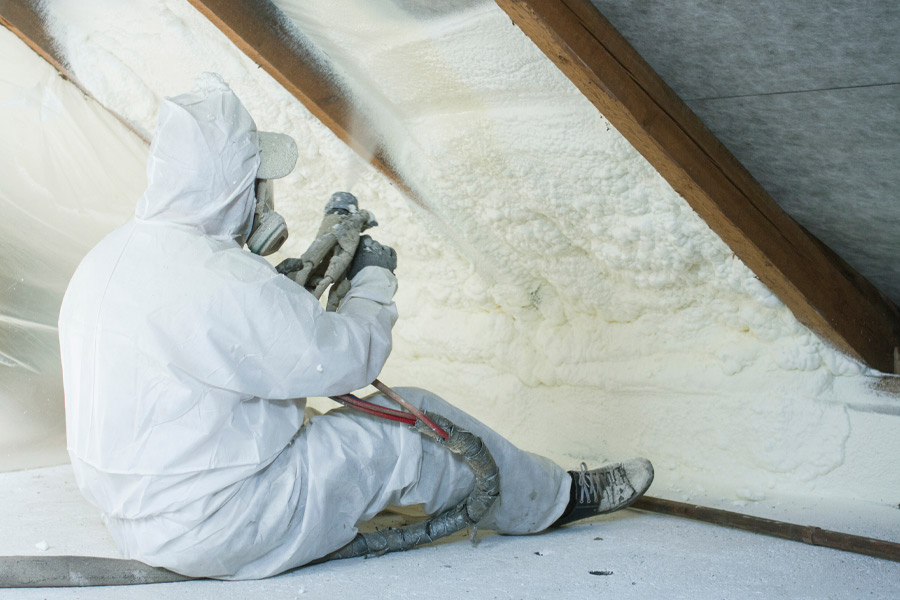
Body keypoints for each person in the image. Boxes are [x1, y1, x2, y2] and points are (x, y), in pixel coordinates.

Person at [58, 74, 653, 580]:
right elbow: (347, 362)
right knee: (415, 422)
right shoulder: (225, 281)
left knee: (318, 429)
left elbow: (210, 347)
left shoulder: (109, 259)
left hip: (136, 520)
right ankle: (557, 500)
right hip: (224, 525)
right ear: (235, 185)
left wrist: (282, 292)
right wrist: (372, 284)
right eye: (256, 180)